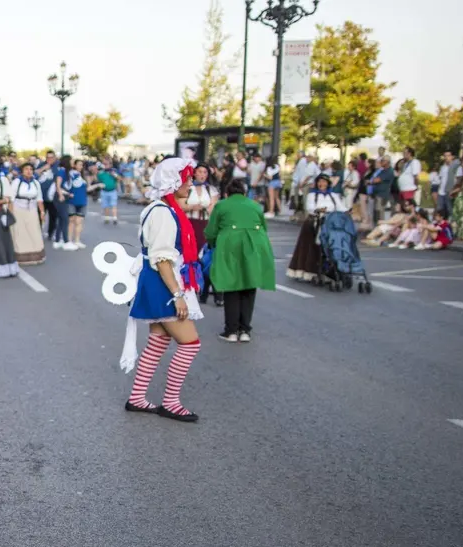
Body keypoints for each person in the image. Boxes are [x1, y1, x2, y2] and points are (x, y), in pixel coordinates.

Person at [119, 157, 204, 423]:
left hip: (156, 281)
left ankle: (137, 398)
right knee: (190, 344)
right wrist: (178, 295)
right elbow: (162, 258)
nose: (190, 184)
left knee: (158, 341)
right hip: (162, 283)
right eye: (186, 179)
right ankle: (171, 402)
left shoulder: (162, 208)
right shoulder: (163, 212)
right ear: (172, 182)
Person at [204, 180, 275, 343]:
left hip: (230, 246)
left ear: (227, 193)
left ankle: (231, 330)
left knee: (231, 285)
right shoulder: (255, 205)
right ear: (244, 193)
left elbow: (211, 231)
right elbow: (264, 227)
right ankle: (245, 330)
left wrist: (212, 243)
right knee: (249, 285)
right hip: (254, 246)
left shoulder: (221, 206)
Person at [287, 175, 345, 282]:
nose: (321, 184)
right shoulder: (312, 195)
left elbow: (341, 208)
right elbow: (310, 208)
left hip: (330, 222)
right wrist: (320, 210)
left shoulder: (333, 195)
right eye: (319, 182)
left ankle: (333, 270)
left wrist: (347, 212)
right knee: (311, 247)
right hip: (315, 222)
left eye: (324, 182)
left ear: (328, 183)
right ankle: (309, 271)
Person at [9, 163, 46, 265]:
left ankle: (36, 256)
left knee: (34, 232)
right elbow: (11, 199)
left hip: (32, 210)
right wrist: (10, 213)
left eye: (31, 169)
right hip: (18, 210)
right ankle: (20, 257)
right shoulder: (16, 182)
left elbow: (39, 199)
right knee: (20, 233)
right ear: (22, 171)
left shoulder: (36, 183)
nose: (29, 171)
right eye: (26, 169)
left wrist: (42, 212)